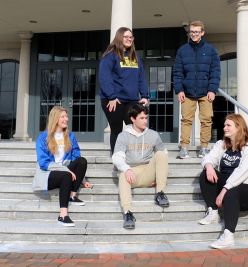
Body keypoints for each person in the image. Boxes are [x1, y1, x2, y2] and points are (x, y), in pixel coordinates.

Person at [198, 113, 248, 249]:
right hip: (229, 186)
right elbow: (208, 158)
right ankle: (213, 211)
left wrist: (223, 191)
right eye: (224, 125)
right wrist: (209, 166)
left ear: (239, 127)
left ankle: (228, 236)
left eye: (228, 125)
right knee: (205, 174)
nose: (224, 128)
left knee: (232, 189)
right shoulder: (222, 144)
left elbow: (241, 173)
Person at [112, 104, 169, 229]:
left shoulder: (153, 134)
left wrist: (158, 175)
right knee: (122, 175)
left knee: (160, 154)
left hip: (148, 171)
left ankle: (160, 193)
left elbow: (164, 155)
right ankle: (128, 213)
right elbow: (117, 157)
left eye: (146, 118)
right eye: (142, 118)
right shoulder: (123, 136)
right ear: (133, 119)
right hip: (132, 173)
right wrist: (127, 169)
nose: (145, 121)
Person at [32, 106, 92, 227]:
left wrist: (82, 179)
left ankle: (73, 196)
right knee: (65, 175)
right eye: (63, 116)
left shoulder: (70, 136)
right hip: (48, 173)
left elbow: (76, 157)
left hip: (66, 171)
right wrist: (66, 170)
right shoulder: (43, 137)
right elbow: (43, 163)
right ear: (55, 119)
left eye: (66, 116)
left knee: (82, 161)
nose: (67, 119)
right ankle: (63, 215)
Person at [173, 20, 221, 159]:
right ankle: (184, 148)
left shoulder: (210, 50)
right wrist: (179, 90)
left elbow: (215, 71)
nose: (194, 34)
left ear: (202, 33)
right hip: (187, 92)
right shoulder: (182, 50)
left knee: (206, 120)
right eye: (192, 32)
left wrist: (212, 89)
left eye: (196, 32)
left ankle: (204, 148)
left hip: (206, 92)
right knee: (186, 120)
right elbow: (177, 72)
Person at [99, 26, 149, 154]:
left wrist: (144, 95)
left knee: (135, 128)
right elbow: (105, 77)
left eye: (131, 37)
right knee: (116, 129)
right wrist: (111, 96)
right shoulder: (111, 55)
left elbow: (141, 77)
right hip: (114, 100)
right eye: (125, 37)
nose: (129, 39)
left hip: (132, 99)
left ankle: (135, 156)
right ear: (119, 38)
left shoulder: (135, 56)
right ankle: (117, 158)